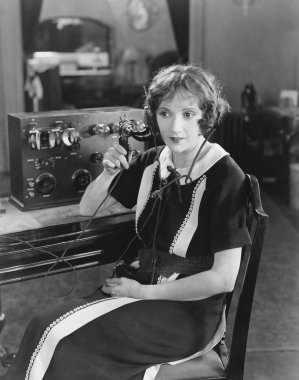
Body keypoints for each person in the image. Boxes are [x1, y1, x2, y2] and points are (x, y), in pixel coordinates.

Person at [5, 64, 251, 380]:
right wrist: (108, 173)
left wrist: (142, 293)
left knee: (61, 337)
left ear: (206, 115)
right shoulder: (155, 161)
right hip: (138, 288)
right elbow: (87, 206)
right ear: (154, 116)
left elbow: (222, 280)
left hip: (185, 314)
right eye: (165, 113)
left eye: (188, 114)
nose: (175, 126)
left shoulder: (225, 176)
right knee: (45, 325)